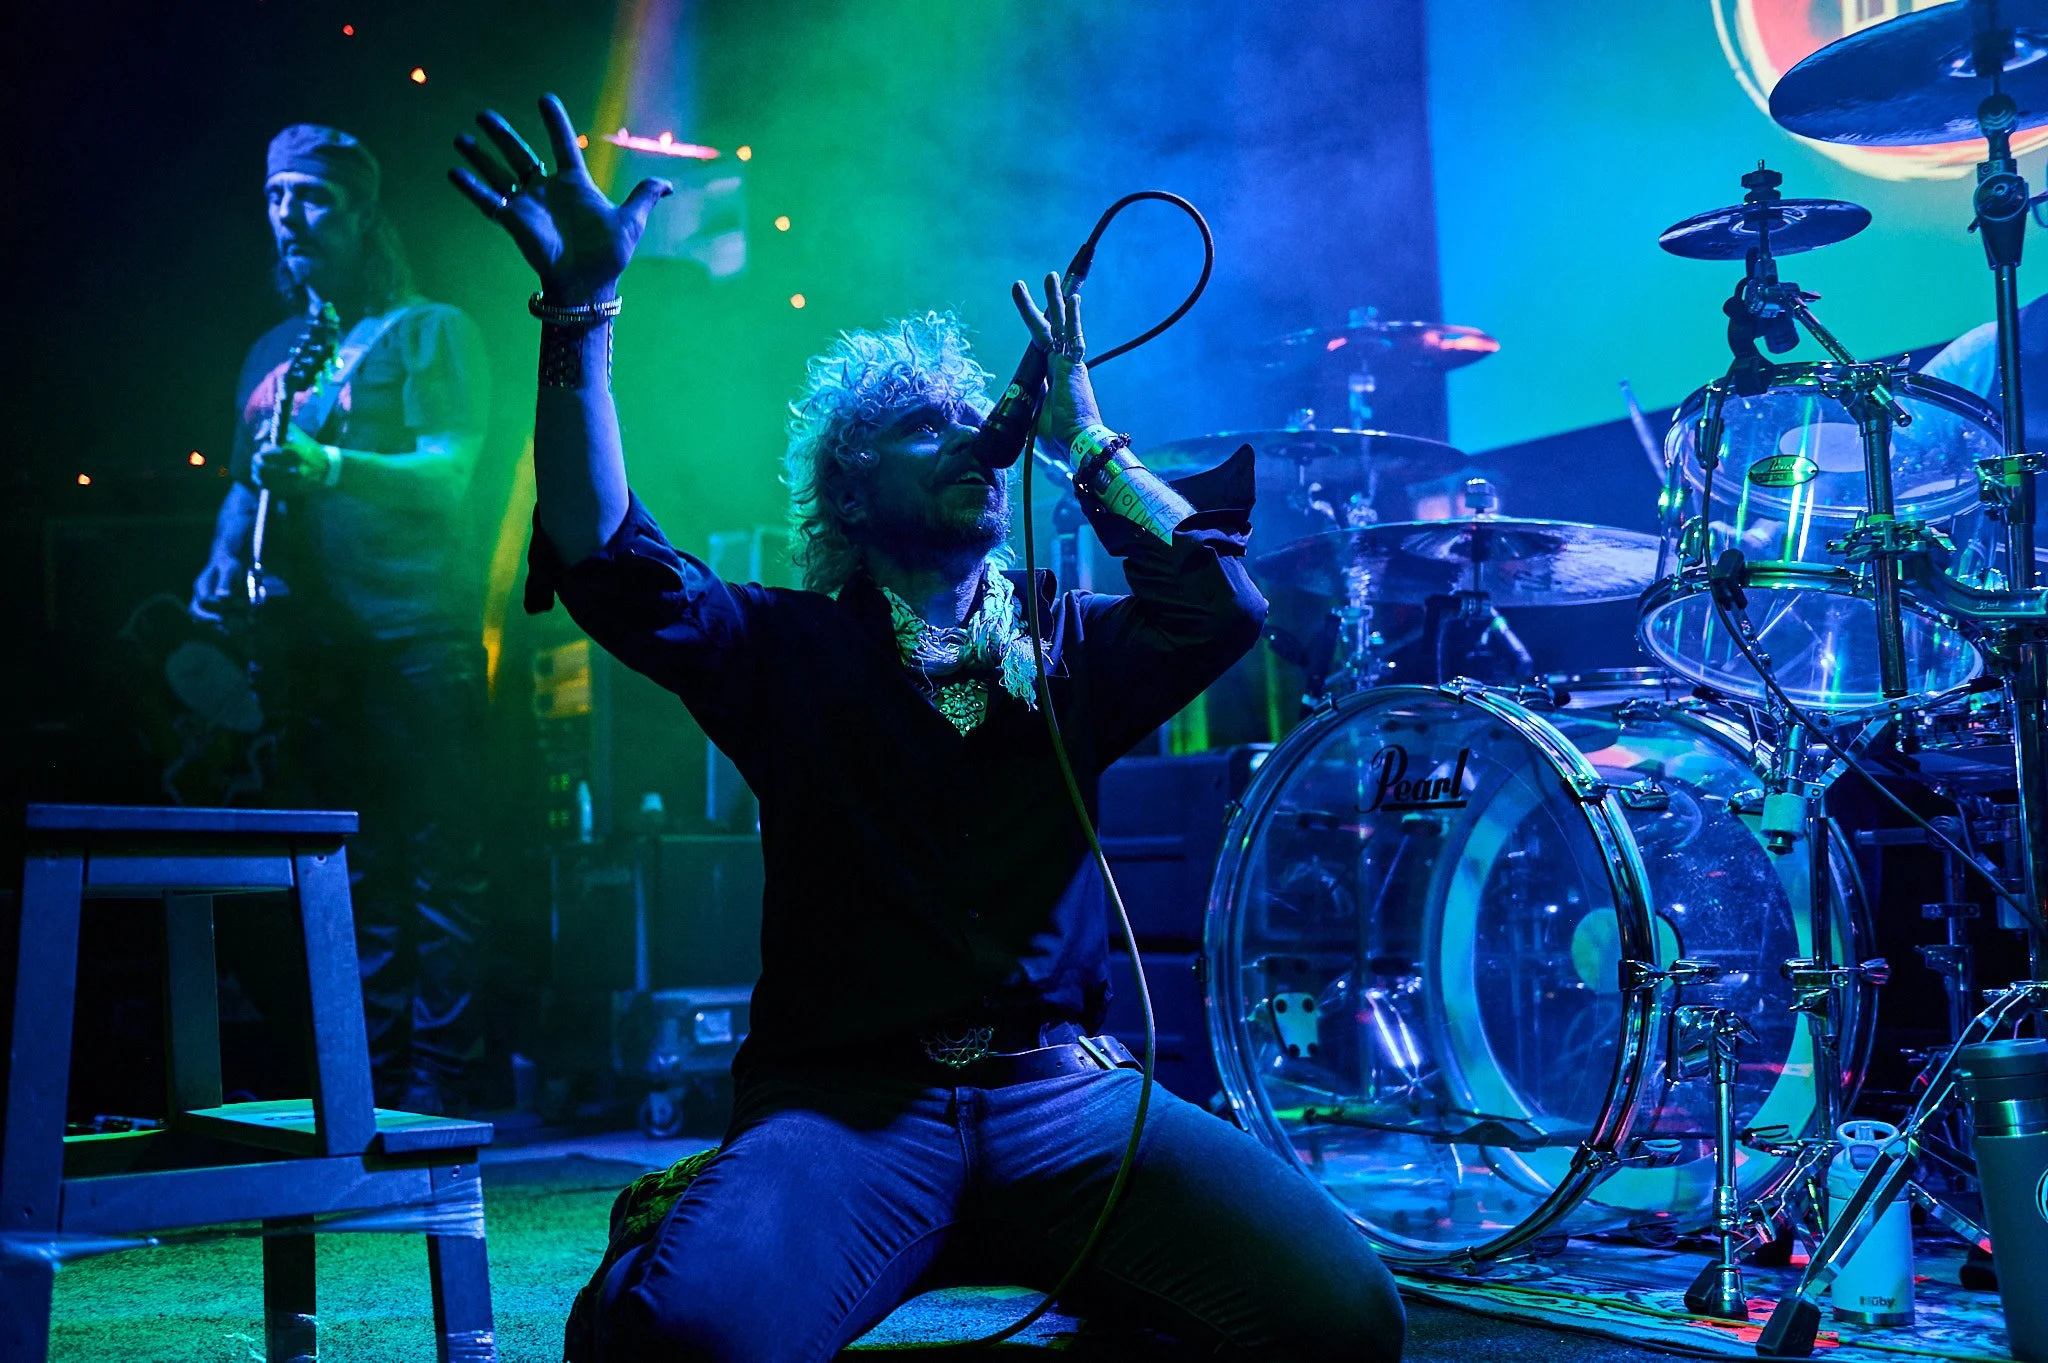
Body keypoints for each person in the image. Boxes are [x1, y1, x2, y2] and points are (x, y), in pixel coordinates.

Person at [448, 96, 1405, 1363]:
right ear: (851, 488)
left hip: (1063, 1097)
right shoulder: (785, 646)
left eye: (970, 419)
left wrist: (1085, 438)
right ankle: (685, 1223)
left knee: (1344, 1325)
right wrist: (579, 313)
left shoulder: (1070, 643)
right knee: (674, 1343)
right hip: (849, 1106)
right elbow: (604, 556)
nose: (964, 435)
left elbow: (1220, 607)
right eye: (920, 425)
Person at [189, 124, 493, 1115]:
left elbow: (450, 477)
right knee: (348, 870)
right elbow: (245, 486)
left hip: (415, 635)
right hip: (315, 651)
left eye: (313, 198)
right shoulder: (272, 353)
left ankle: (437, 1092)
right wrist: (221, 566)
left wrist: (333, 467)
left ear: (364, 213)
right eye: (277, 197)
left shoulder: (429, 330)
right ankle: (364, 1087)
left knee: (439, 863)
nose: (291, 218)